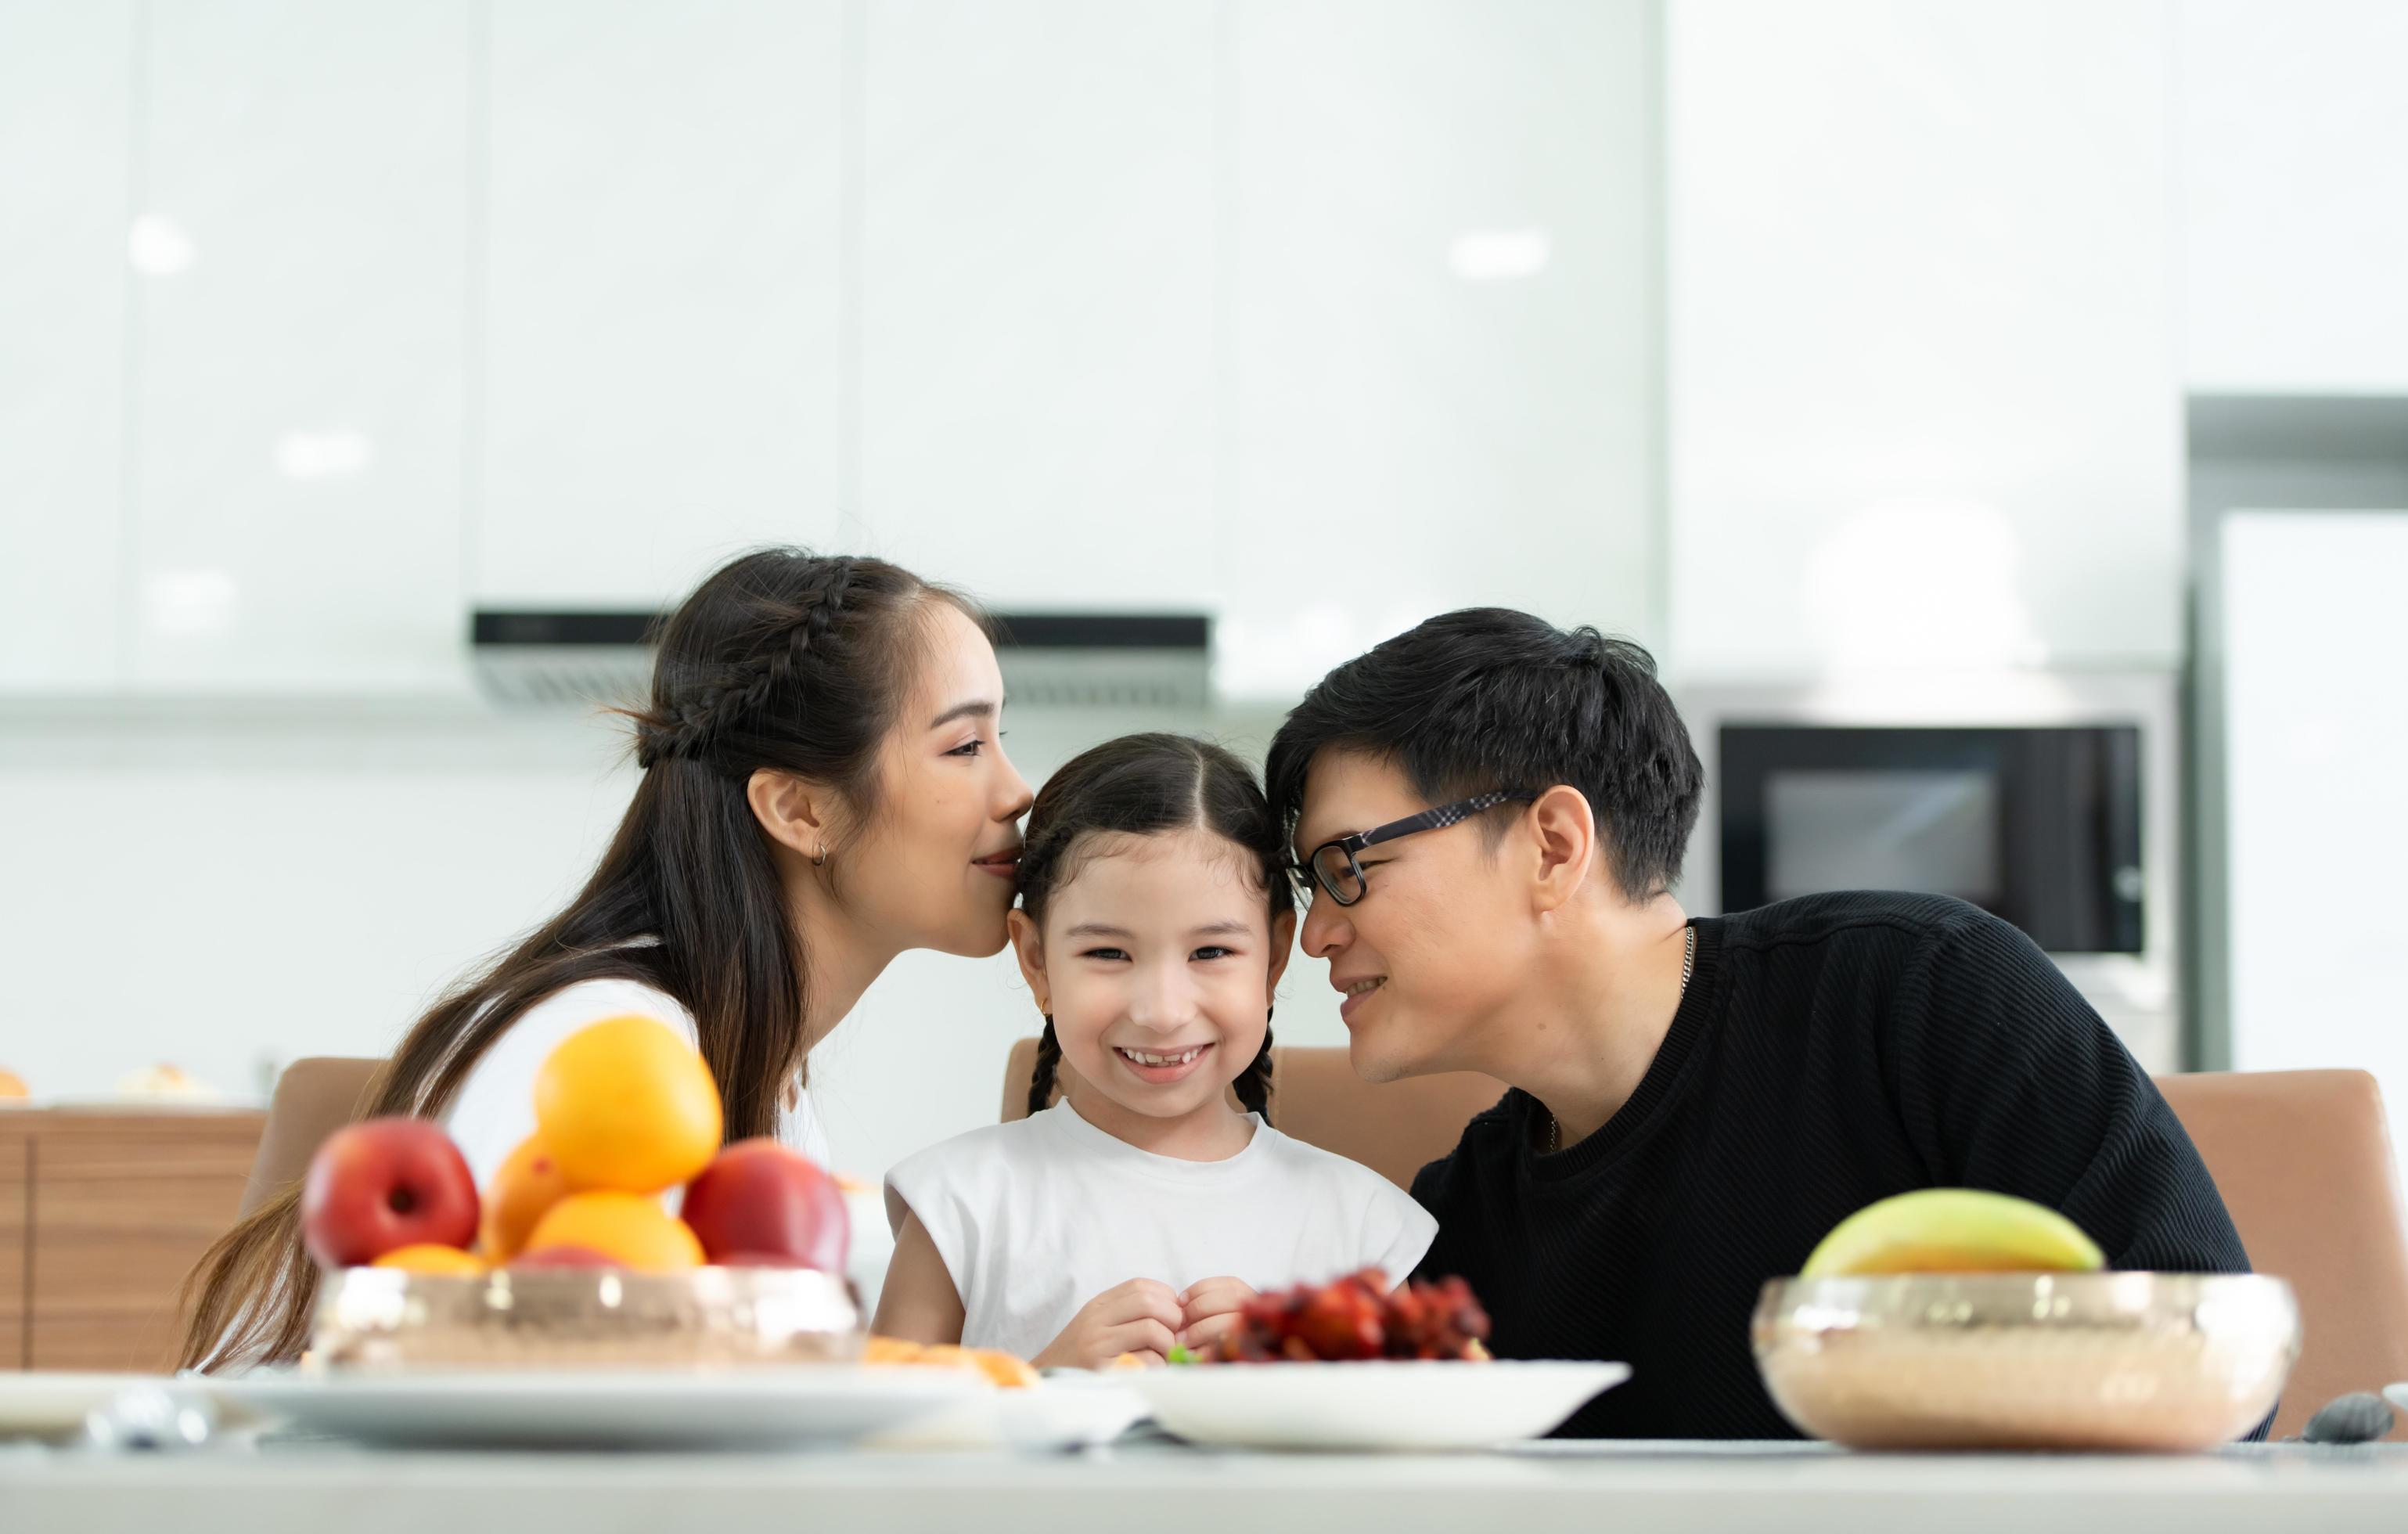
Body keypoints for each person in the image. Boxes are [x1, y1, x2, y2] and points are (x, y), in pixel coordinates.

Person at [1262, 608, 2251, 1438]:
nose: (1316, 935)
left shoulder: (1918, 991)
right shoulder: (1477, 1210)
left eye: (1348, 865)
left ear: (1553, 847)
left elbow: (2202, 1352)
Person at [180, 548, 1034, 1370]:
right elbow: (518, 1386)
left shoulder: (754, 1070)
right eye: (965, 747)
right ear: (800, 810)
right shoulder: (604, 1048)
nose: (1018, 789)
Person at [873, 734, 1434, 1369]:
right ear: (1036, 961)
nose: (1162, 1012)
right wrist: (1042, 1382)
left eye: (1211, 953)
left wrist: (1295, 1387)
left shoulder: (1360, 1225)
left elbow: (1414, 1455)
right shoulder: (958, 1206)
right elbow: (878, 1450)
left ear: (1274, 957)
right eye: (1108, 954)